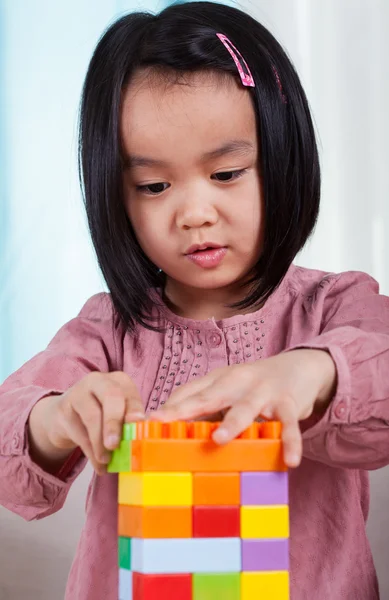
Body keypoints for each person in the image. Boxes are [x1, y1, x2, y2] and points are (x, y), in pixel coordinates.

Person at [0, 2, 387, 598]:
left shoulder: (335, 307)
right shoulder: (108, 329)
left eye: (228, 173)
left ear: (283, 160)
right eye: (153, 186)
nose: (195, 214)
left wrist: (316, 370)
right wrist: (56, 418)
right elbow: (11, 440)